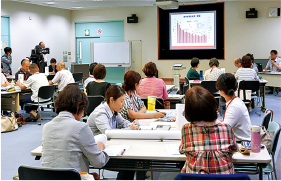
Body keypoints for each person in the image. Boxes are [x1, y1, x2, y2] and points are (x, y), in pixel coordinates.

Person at [42, 85, 109, 173]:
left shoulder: (46, 127)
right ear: (79, 106)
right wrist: (100, 149)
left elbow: (60, 164)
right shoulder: (81, 128)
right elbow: (99, 162)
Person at [179, 86, 237, 174]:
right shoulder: (227, 128)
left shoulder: (186, 129)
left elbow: (182, 150)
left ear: (188, 111)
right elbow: (234, 149)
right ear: (214, 106)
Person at [216, 73, 251, 142]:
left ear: (220, 90)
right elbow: (228, 121)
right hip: (242, 139)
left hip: (241, 143)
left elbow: (223, 131)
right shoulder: (236, 101)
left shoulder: (234, 107)